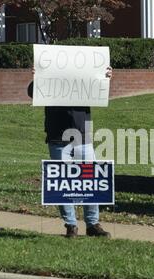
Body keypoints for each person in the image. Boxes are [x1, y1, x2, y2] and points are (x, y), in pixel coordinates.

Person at [28, 67, 113, 238]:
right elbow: (32, 92)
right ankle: (71, 225)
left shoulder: (84, 78)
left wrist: (106, 78)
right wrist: (38, 77)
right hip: (57, 137)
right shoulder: (49, 78)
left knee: (90, 180)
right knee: (63, 182)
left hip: (83, 136)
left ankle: (92, 224)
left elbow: (101, 93)